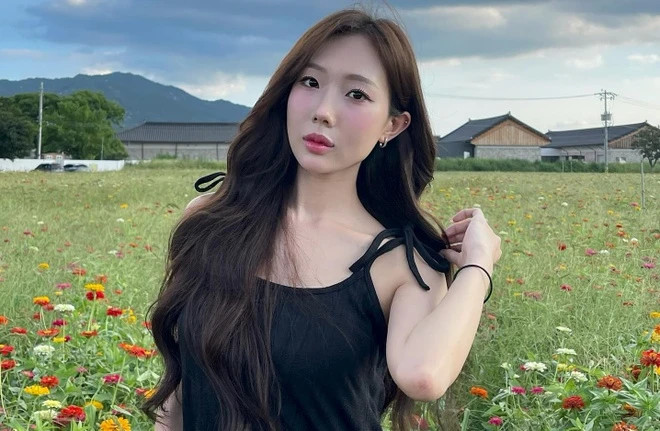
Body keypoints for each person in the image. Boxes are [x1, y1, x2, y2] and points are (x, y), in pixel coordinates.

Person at [142, 7, 501, 431]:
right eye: (310, 82)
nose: (323, 110)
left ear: (393, 125)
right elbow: (184, 384)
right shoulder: (211, 222)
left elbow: (423, 376)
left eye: (356, 94)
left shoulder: (403, 263)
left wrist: (478, 266)